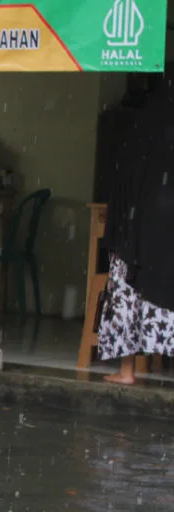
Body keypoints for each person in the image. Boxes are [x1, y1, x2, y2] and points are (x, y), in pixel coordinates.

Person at [99, 78, 174, 385]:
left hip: (136, 227)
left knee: (127, 292)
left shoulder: (140, 125)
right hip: (162, 229)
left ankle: (127, 370)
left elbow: (123, 180)